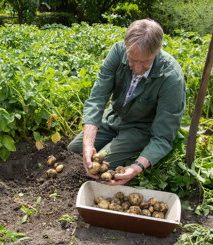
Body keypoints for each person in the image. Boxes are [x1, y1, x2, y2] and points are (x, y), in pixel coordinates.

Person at [67, 19, 186, 186]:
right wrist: (88, 144)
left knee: (102, 167)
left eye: (145, 62)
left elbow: (163, 136)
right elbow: (97, 99)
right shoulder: (117, 52)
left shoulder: (171, 78)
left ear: (157, 51)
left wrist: (136, 168)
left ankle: (129, 151)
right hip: (112, 118)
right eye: (132, 60)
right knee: (75, 152)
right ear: (126, 48)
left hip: (140, 129)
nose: (137, 69)